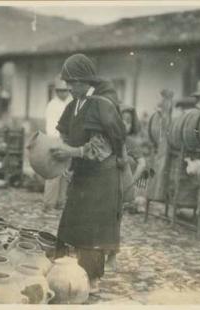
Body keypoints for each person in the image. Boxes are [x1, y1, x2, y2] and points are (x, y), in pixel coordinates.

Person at [50, 54, 127, 293]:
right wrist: (60, 152)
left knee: (92, 234)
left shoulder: (101, 104)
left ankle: (91, 281)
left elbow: (99, 149)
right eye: (67, 83)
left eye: (73, 82)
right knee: (72, 226)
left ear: (86, 81)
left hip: (101, 177)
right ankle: (70, 274)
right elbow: (65, 135)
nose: (69, 87)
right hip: (82, 173)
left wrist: (69, 152)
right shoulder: (75, 105)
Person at [44, 77, 73, 209]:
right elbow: (50, 126)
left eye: (65, 91)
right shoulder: (52, 105)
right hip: (55, 139)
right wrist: (56, 140)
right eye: (60, 91)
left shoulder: (72, 103)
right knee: (53, 173)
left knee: (66, 172)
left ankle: (61, 201)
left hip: (68, 141)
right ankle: (49, 202)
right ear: (56, 91)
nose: (63, 93)